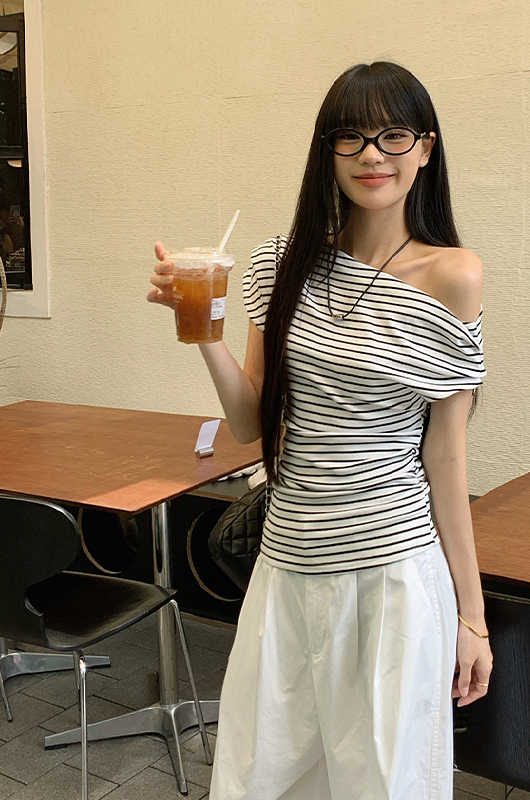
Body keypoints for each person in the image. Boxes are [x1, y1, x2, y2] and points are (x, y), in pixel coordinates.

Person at [148, 61, 492, 800]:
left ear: (425, 148)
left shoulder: (454, 275)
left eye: (393, 135)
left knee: (383, 785)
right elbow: (249, 421)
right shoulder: (283, 263)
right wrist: (203, 329)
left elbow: (446, 457)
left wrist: (474, 616)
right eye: (351, 136)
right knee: (261, 780)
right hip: (287, 567)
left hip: (393, 576)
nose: (372, 154)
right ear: (327, 150)